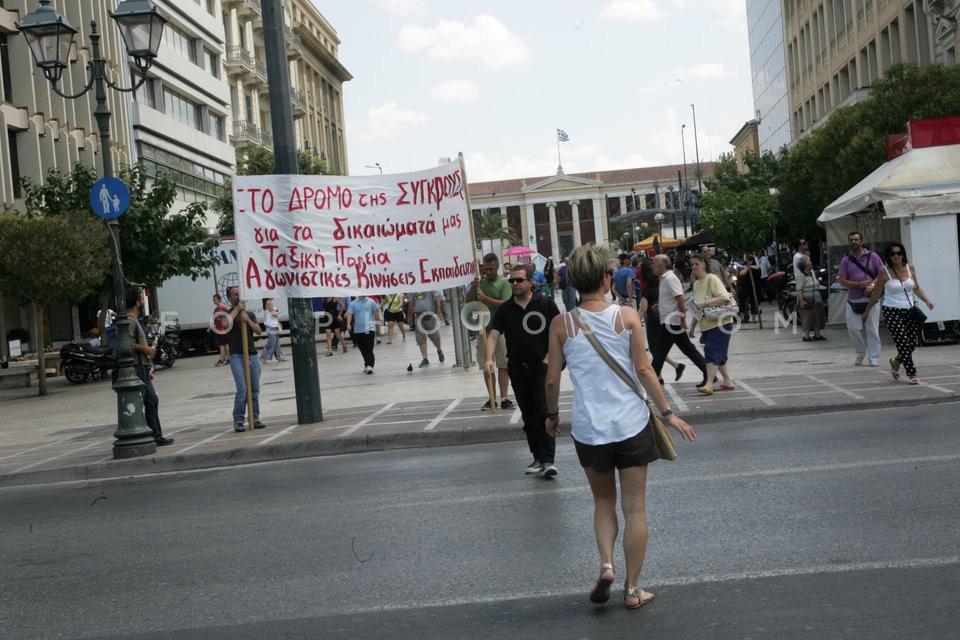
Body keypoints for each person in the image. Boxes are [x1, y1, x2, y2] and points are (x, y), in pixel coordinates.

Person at [544, 243, 695, 609]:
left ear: (575, 283)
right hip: (630, 424)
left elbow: (551, 380)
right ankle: (633, 588)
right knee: (635, 508)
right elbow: (644, 370)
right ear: (606, 278)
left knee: (602, 501)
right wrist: (668, 413)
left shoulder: (561, 324)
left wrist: (552, 416)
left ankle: (606, 563)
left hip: (589, 428)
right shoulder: (626, 316)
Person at [487, 264, 561, 476]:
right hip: (517, 368)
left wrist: (550, 358)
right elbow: (493, 334)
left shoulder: (545, 304)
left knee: (543, 412)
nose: (515, 284)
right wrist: (488, 359)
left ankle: (548, 460)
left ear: (530, 282)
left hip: (541, 368)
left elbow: (559, 330)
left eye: (519, 280)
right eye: (511, 281)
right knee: (528, 416)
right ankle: (537, 457)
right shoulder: (505, 308)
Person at [861, 242, 935, 385]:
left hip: (910, 310)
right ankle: (912, 373)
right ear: (888, 256)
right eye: (893, 254)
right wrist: (867, 311)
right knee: (902, 342)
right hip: (892, 310)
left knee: (912, 343)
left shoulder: (910, 267)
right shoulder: (884, 271)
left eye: (899, 253)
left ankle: (896, 361)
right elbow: (876, 293)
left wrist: (927, 300)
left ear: (903, 254)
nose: (896, 257)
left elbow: (916, 288)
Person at [123, 287, 174, 446]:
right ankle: (152, 435)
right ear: (137, 301)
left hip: (142, 367)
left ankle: (155, 435)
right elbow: (127, 343)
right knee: (147, 401)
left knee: (152, 400)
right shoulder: (130, 320)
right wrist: (146, 349)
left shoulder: (133, 319)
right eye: (141, 297)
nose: (144, 299)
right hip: (137, 367)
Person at [648, 254, 708, 387]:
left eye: (654, 263)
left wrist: (682, 319)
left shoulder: (669, 278)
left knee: (659, 353)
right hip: (670, 321)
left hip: (671, 322)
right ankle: (709, 374)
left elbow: (680, 299)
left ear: (661, 265)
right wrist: (661, 305)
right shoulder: (664, 278)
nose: (652, 265)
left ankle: (650, 382)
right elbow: (673, 298)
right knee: (688, 349)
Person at [466, 253, 514, 410]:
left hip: (500, 329)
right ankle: (491, 397)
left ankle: (505, 397)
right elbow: (468, 301)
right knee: (487, 365)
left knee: (503, 364)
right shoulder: (480, 283)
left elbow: (506, 304)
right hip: (483, 329)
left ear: (497, 267)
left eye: (491, 269)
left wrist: (486, 299)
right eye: (485, 269)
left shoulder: (504, 283)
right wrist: (474, 286)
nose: (488, 272)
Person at [687, 254, 736, 394]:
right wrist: (692, 326)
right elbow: (696, 307)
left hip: (721, 323)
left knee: (711, 351)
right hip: (707, 324)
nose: (694, 267)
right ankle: (727, 381)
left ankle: (709, 384)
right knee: (718, 354)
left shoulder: (712, 279)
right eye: (692, 264)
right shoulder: (696, 284)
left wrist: (705, 302)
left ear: (703, 264)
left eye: (696, 263)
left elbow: (724, 298)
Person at [837, 231, 884, 366]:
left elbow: (882, 274)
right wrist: (858, 284)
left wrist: (872, 284)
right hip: (853, 300)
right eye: (851, 240)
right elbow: (842, 281)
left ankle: (874, 356)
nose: (854, 242)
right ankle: (860, 352)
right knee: (852, 327)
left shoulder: (873, 256)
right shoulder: (846, 260)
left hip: (871, 299)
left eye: (856, 239)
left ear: (861, 242)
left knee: (872, 329)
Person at [226, 286, 266, 432]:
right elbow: (224, 324)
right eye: (235, 295)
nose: (238, 296)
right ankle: (238, 420)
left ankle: (255, 418)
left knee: (254, 389)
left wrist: (247, 319)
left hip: (252, 354)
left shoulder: (249, 313)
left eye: (239, 294)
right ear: (230, 298)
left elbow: (258, 331)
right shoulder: (228, 314)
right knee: (242, 389)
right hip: (236, 354)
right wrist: (237, 310)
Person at [637, 260, 685, 382]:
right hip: (665, 318)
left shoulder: (647, 290)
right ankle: (663, 373)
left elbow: (643, 309)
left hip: (653, 321)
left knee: (655, 349)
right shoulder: (662, 284)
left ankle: (664, 372)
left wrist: (635, 322)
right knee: (659, 348)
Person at [407, 290, 445, 367]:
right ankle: (425, 359)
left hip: (430, 315)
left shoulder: (430, 287)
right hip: (418, 317)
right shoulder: (413, 289)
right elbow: (411, 303)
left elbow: (437, 298)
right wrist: (409, 316)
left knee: (435, 337)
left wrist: (438, 311)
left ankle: (439, 350)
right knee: (420, 338)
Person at [346, 295, 380, 374]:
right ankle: (367, 363)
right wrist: (348, 324)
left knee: (369, 347)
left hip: (369, 328)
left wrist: (378, 325)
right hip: (358, 329)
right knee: (362, 348)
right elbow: (350, 314)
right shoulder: (353, 303)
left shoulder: (371, 301)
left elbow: (376, 313)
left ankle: (370, 365)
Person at [795, 256, 825, 342]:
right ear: (805, 265)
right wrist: (801, 301)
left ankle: (817, 334)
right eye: (809, 261)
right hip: (807, 300)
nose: (811, 262)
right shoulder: (801, 276)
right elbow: (799, 289)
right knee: (808, 318)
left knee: (817, 317)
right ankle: (806, 336)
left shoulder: (812, 273)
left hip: (816, 299)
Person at [260, 297, 285, 363]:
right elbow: (273, 313)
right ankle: (264, 358)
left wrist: (277, 312)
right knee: (272, 342)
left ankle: (280, 356)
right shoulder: (268, 302)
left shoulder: (269, 302)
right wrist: (279, 312)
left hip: (273, 324)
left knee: (276, 342)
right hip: (270, 325)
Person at [737, 257, 762, 322]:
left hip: (751, 287)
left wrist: (748, 267)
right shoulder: (755, 268)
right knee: (746, 302)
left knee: (750, 302)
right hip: (748, 287)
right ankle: (746, 318)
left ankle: (749, 318)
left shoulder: (752, 268)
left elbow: (741, 273)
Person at [210, 294, 230, 366]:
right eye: (213, 300)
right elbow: (214, 320)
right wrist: (210, 327)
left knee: (222, 345)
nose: (213, 301)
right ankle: (229, 359)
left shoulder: (224, 308)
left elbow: (229, 318)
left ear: (219, 300)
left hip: (223, 330)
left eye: (214, 300)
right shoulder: (216, 309)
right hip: (218, 330)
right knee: (224, 345)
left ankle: (222, 360)